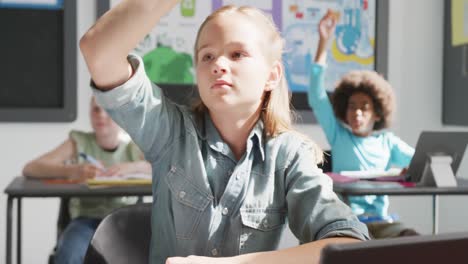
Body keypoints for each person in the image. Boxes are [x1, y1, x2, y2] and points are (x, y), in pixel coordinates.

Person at [79, 2, 370, 263]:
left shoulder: (290, 154)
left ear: (272, 75)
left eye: (237, 54)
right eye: (207, 57)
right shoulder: (168, 131)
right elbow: (98, 52)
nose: (218, 64)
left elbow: (347, 244)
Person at [308, 10, 418, 239]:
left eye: (364, 107)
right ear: (343, 111)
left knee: (413, 239)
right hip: (347, 223)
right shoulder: (339, 136)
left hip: (382, 223)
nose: (357, 112)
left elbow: (420, 162)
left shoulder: (388, 142)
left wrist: (410, 171)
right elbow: (317, 97)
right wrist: (323, 42)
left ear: (377, 113)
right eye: (351, 106)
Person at [22, 97, 152, 264]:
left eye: (108, 110)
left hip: (123, 220)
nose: (101, 115)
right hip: (86, 219)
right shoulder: (79, 142)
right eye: (95, 110)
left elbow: (165, 166)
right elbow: (31, 168)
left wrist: (135, 167)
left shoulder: (132, 145)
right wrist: (73, 170)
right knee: (70, 254)